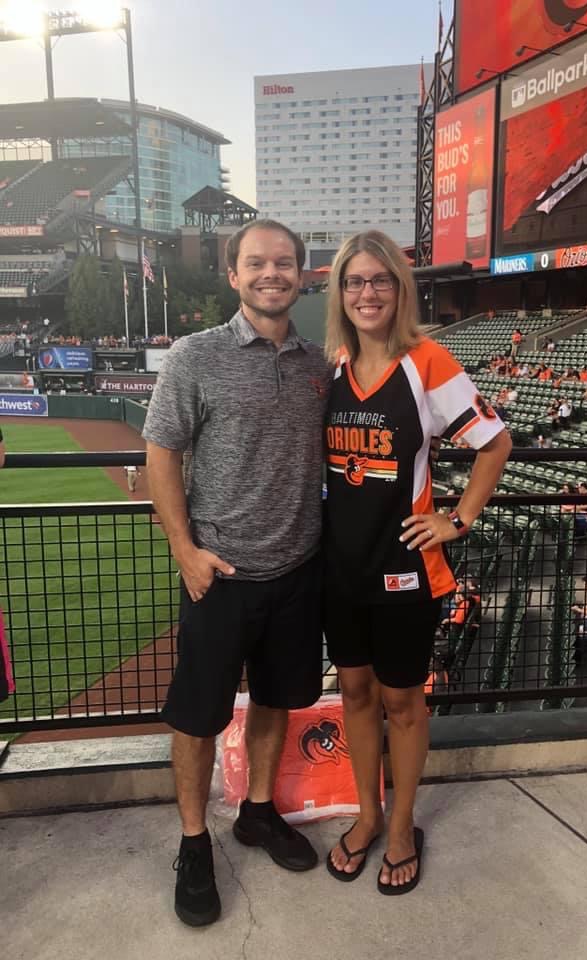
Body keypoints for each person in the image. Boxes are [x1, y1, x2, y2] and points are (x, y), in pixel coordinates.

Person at [143, 220, 331, 927]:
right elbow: (161, 454)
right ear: (234, 275)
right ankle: (195, 843)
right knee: (198, 719)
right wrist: (184, 551)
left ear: (301, 274)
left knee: (276, 702)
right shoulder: (195, 356)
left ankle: (256, 812)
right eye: (256, 263)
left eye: (283, 263)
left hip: (297, 571)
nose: (270, 273)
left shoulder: (320, 363)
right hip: (218, 576)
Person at [322, 230, 511, 894]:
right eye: (355, 281)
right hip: (340, 569)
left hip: (405, 567)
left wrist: (457, 520)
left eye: (380, 279)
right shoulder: (333, 365)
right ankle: (367, 813)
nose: (367, 292)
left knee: (402, 699)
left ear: (399, 289)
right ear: (340, 293)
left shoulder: (427, 361)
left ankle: (402, 825)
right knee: (353, 692)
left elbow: (494, 443)